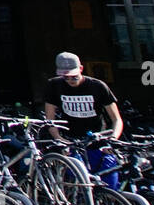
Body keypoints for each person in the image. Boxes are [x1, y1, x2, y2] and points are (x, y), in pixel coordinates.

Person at [43, 51, 123, 189]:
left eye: (73, 77)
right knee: (79, 180)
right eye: (65, 77)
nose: (70, 81)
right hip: (72, 140)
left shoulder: (98, 86)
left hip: (98, 140)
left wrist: (113, 139)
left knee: (110, 179)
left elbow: (116, 119)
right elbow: (50, 119)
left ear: (81, 69)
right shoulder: (54, 85)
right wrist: (59, 139)